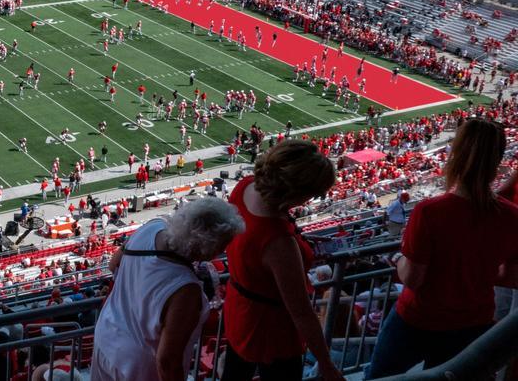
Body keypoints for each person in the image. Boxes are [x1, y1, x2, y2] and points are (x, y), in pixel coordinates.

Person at [366, 120, 518, 378]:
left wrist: (398, 258)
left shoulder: (430, 211)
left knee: (380, 377)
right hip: (473, 321)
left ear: (456, 155)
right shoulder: (512, 216)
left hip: (418, 320)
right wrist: (474, 271)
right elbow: (511, 276)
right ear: (498, 160)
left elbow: (413, 278)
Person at [222, 140, 343, 381]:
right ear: (295, 191)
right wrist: (326, 364)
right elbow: (301, 312)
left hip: (238, 305)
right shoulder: (278, 242)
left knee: (235, 373)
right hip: (271, 328)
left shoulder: (245, 187)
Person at [92, 197, 244, 380]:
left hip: (106, 337)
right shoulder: (186, 290)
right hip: (136, 365)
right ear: (207, 245)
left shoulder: (152, 227)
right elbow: (167, 361)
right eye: (221, 246)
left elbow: (113, 265)